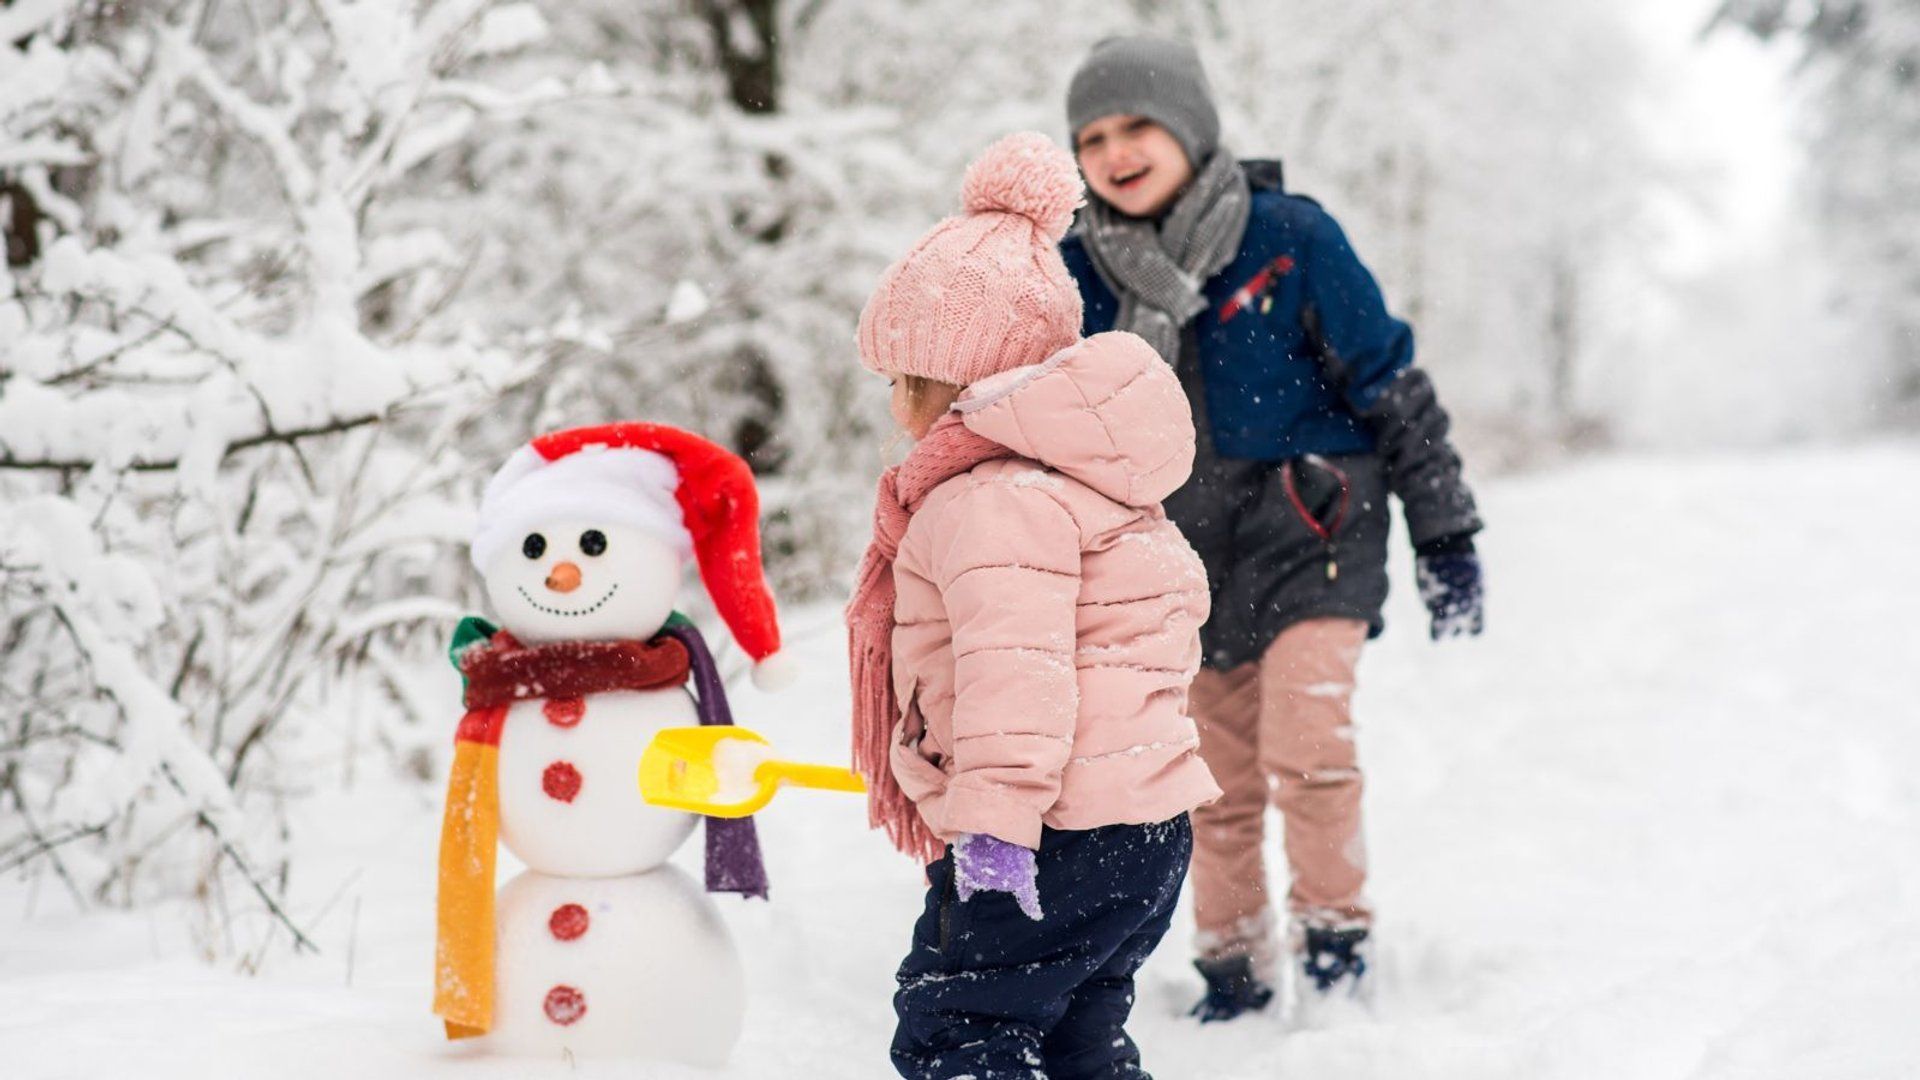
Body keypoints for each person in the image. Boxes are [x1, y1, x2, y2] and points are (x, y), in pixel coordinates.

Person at [1059, 36, 1487, 1021]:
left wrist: (1446, 534)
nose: (1116, 151)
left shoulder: (1288, 237)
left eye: (1137, 125)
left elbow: (1389, 383)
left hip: (1316, 532)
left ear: (1191, 128)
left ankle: (1336, 949)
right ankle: (1233, 970)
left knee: (1309, 742)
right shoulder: (1081, 276)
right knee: (1213, 784)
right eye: (1092, 136)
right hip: (1182, 569)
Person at [845, 131, 1223, 1079]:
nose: (896, 406)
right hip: (1143, 833)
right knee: (1070, 1035)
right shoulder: (1097, 483)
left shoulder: (990, 502)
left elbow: (1020, 674)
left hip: (1053, 833)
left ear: (956, 383)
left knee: (957, 1029)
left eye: (905, 381)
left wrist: (999, 825)